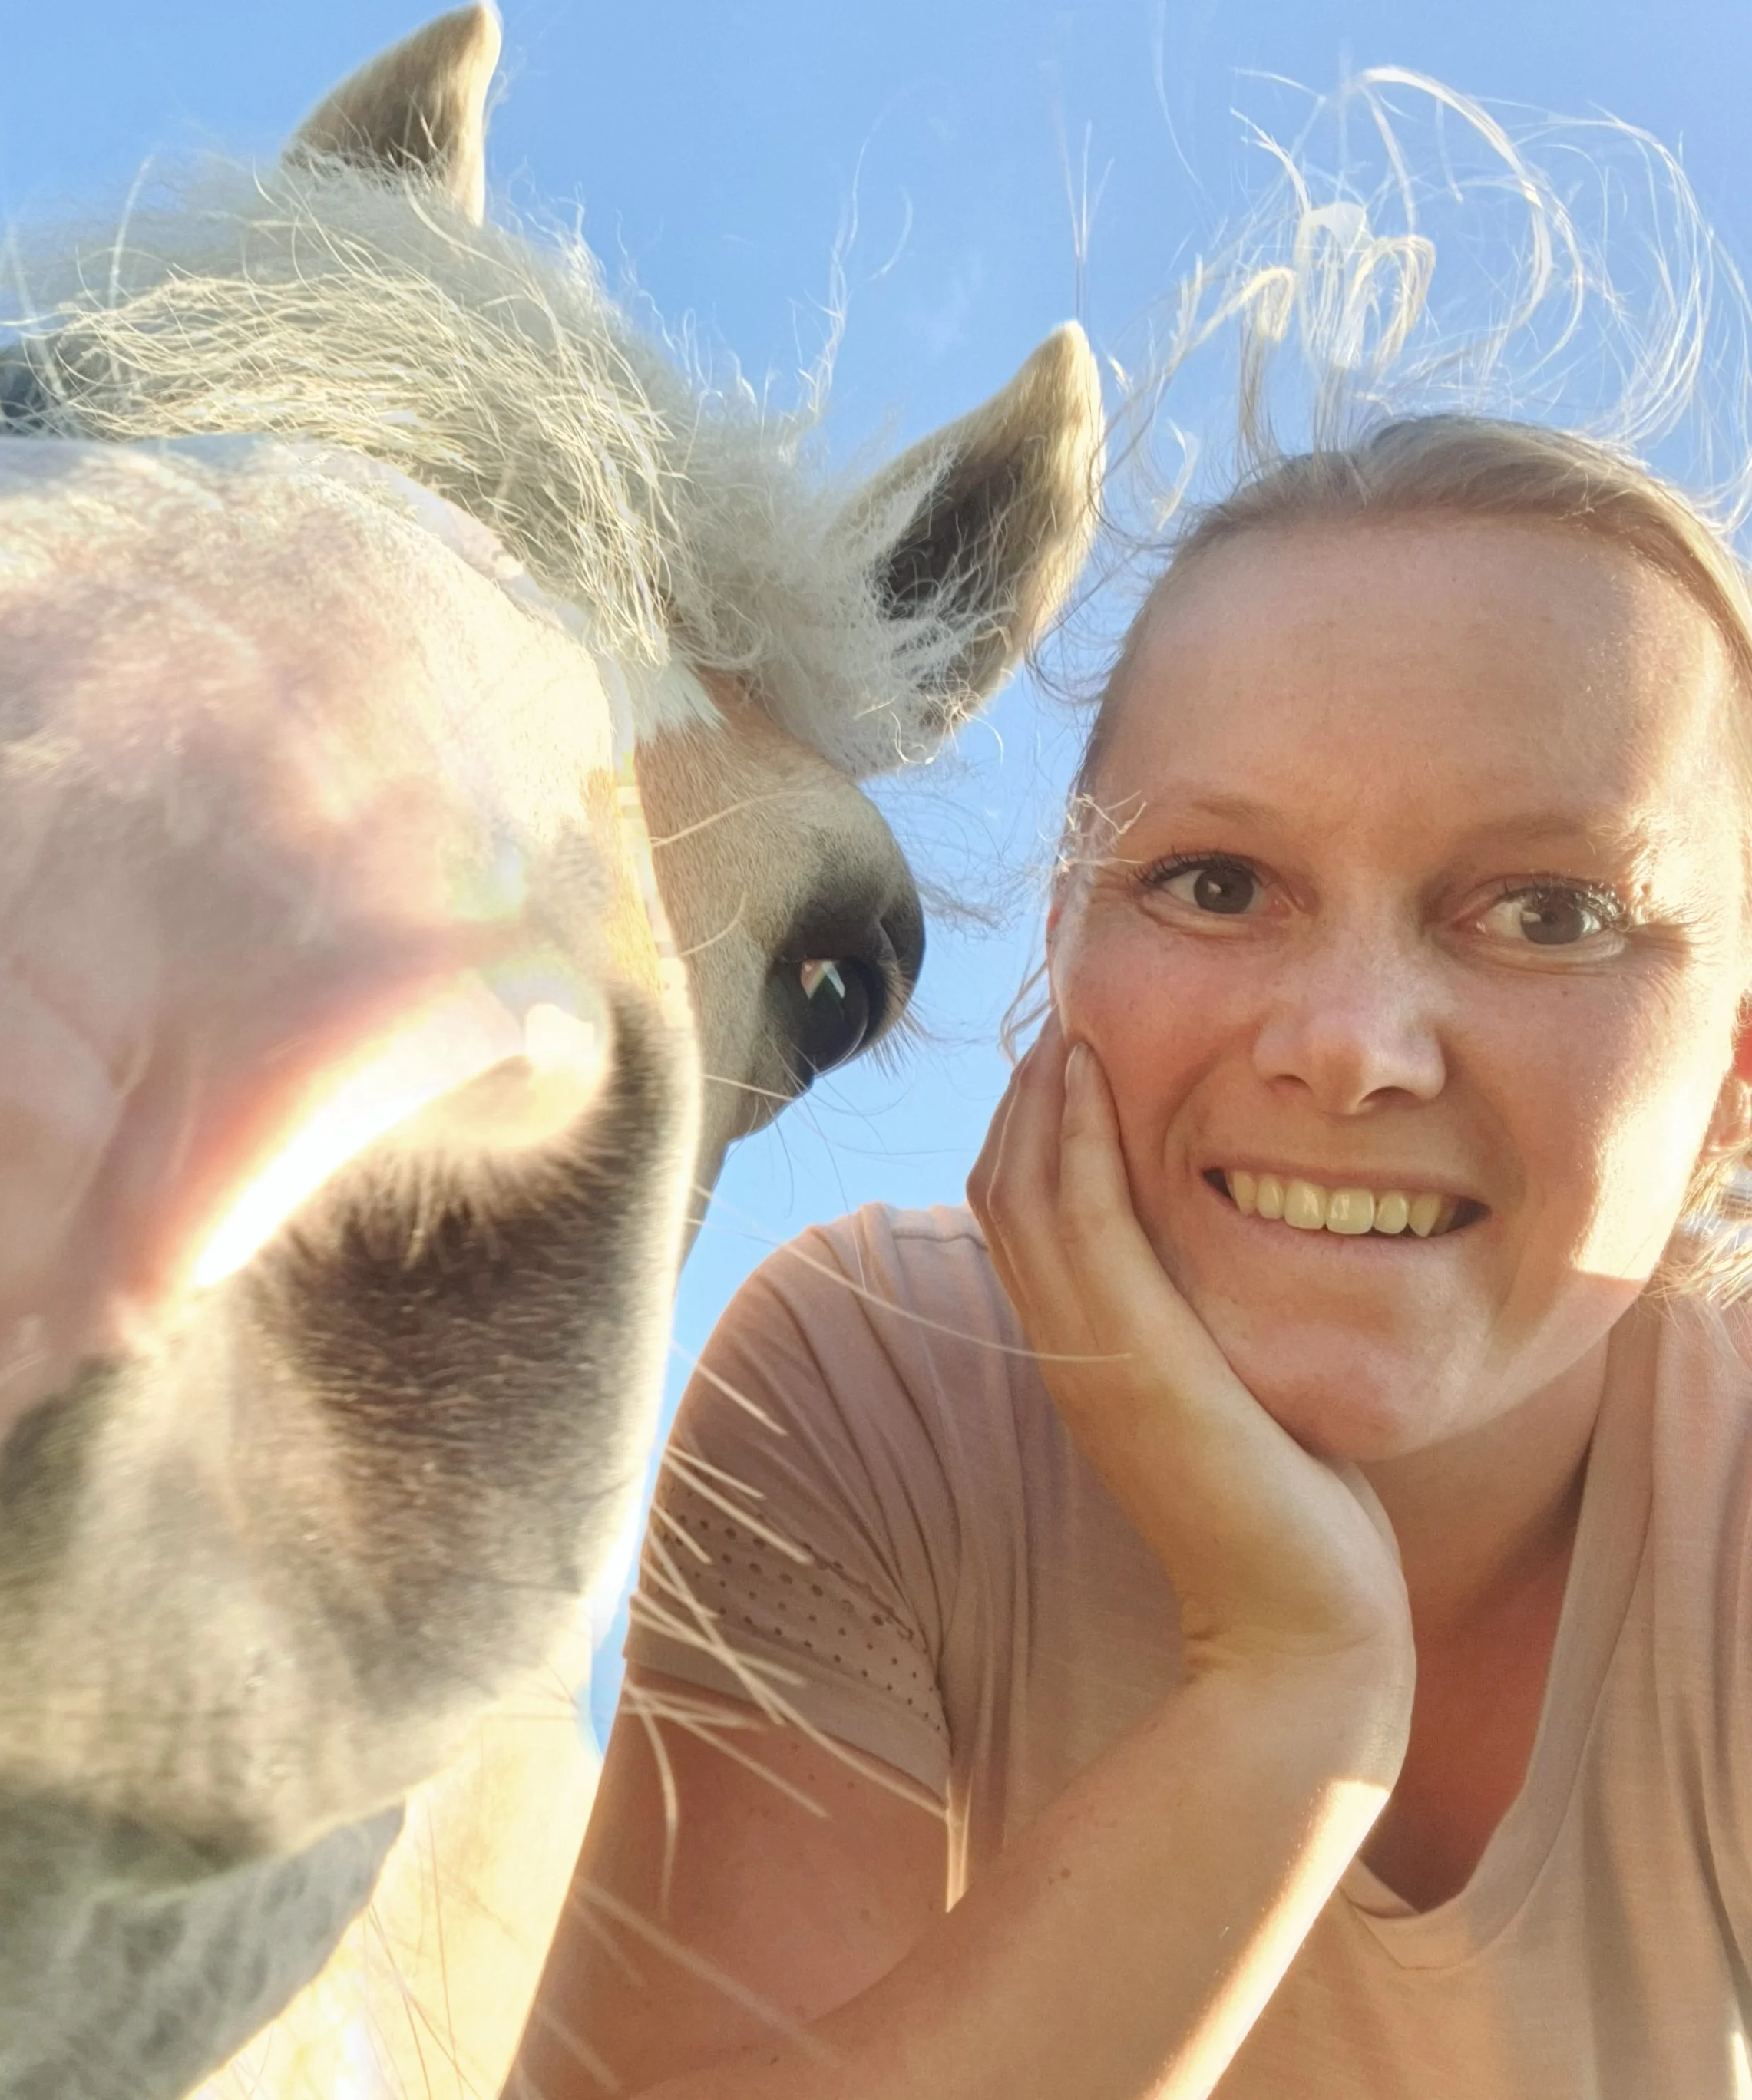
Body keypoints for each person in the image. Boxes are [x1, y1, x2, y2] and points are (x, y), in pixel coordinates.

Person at [511, 404, 1752, 2098]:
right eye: (1217, 884)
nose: (1350, 1044)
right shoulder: (888, 1388)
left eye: (1551, 913)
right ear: (1065, 957)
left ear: (1735, 1069)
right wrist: (1293, 1695)